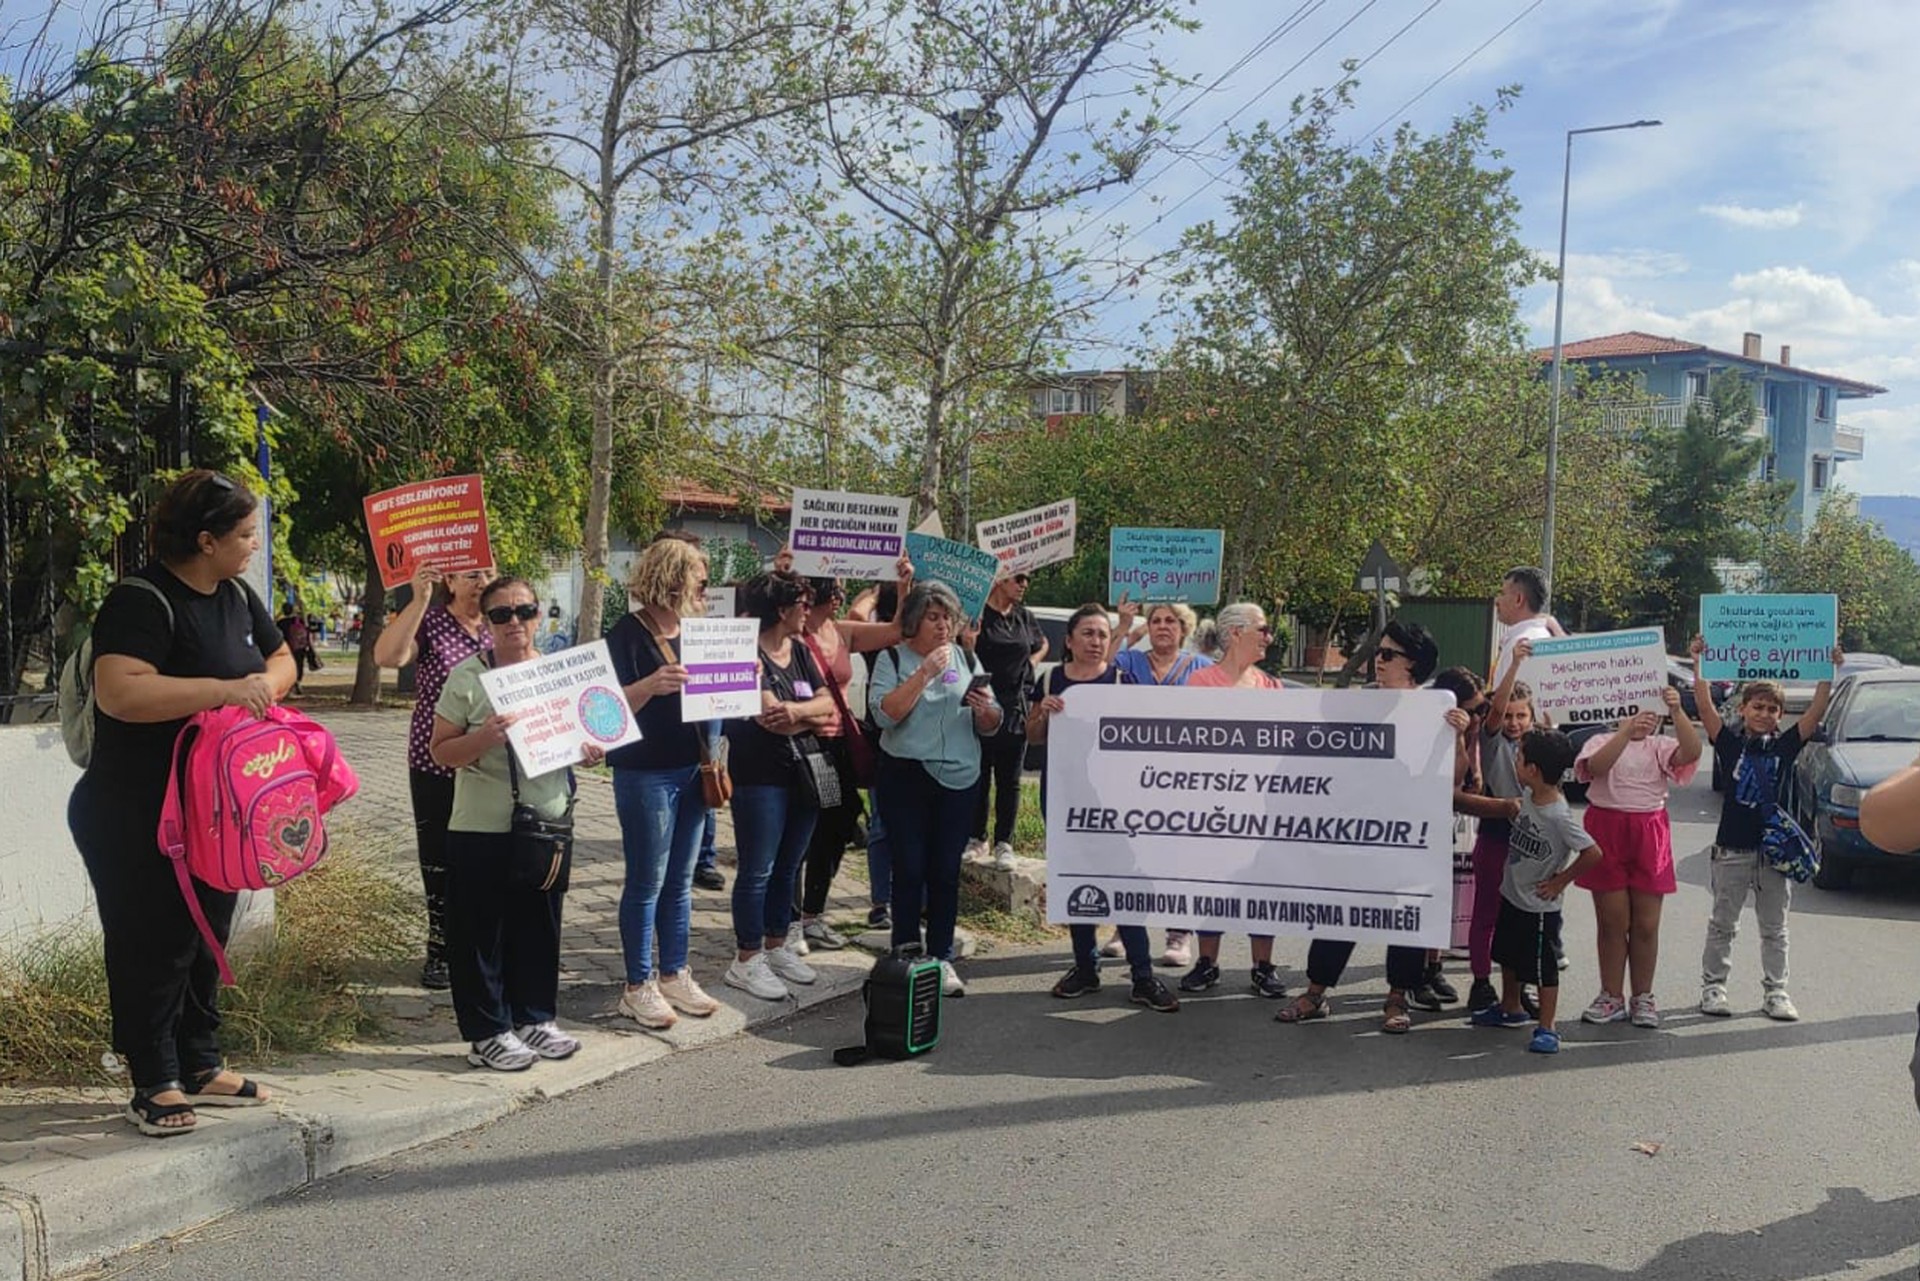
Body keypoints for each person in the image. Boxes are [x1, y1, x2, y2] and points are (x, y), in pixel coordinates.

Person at [71, 470, 296, 1136]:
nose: (254, 545)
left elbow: (282, 659)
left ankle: (199, 1060)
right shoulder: (141, 600)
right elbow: (122, 692)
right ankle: (153, 1078)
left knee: (207, 932)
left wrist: (260, 684)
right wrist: (224, 691)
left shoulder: (233, 596)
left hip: (215, 807)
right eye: (246, 534)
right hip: (134, 808)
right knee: (154, 939)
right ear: (206, 539)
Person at [429, 577, 591, 1070]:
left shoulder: (559, 673)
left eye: (524, 611)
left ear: (539, 616)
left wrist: (591, 750)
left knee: (539, 924)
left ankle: (535, 1018)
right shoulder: (467, 677)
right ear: (487, 621)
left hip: (547, 819)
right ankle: (487, 1031)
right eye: (501, 614)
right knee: (482, 931)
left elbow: (581, 736)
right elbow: (441, 751)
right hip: (482, 824)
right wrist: (483, 738)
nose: (514, 622)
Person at [1277, 620, 1466, 1032]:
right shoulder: (1356, 705)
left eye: (1387, 655)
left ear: (1413, 664)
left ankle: (1397, 999)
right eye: (1377, 653)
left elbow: (1454, 779)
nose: (1377, 662)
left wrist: (1459, 738)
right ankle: (1315, 992)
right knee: (1339, 912)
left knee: (1404, 919)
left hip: (1407, 840)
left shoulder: (1436, 711)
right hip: (1355, 835)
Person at [603, 538, 724, 1029]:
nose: (705, 587)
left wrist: (742, 674)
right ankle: (637, 984)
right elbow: (605, 708)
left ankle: (675, 972)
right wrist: (649, 685)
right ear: (674, 577)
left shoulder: (701, 631)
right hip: (645, 771)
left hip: (694, 768)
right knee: (647, 881)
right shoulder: (627, 633)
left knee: (680, 882)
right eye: (699, 576)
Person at [1035, 605, 1178, 1012]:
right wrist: (1043, 712)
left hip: (1115, 806)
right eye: (1088, 634)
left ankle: (1143, 976)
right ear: (1070, 640)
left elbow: (1144, 735)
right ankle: (1085, 968)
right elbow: (1033, 734)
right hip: (1064, 799)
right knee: (1077, 882)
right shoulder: (1050, 679)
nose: (1096, 642)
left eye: (1102, 634)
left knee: (1124, 884)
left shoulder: (1121, 679)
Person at [1691, 635, 1841, 1022]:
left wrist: (1829, 669)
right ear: (1742, 710)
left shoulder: (1786, 746)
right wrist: (1698, 663)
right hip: (1732, 850)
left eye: (1773, 708)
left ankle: (1776, 992)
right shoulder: (1728, 744)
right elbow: (1705, 706)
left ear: (1780, 714)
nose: (1764, 713)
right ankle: (1713, 987)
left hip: (1775, 853)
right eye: (1757, 706)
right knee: (1723, 923)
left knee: (1775, 927)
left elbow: (1816, 711)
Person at [869, 582, 1004, 996]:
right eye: (933, 616)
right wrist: (925, 671)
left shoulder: (967, 656)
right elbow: (885, 715)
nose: (943, 624)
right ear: (914, 620)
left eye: (948, 616)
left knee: (945, 871)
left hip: (960, 778)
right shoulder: (892, 658)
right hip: (906, 775)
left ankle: (942, 957)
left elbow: (992, 721)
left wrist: (987, 713)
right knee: (909, 868)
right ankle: (907, 953)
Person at [372, 560, 494, 991]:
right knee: (439, 855)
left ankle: (479, 944)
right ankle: (440, 947)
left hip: (491, 767)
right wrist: (418, 600)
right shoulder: (434, 621)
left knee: (481, 855)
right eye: (473, 575)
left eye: (489, 574)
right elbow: (388, 657)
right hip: (435, 762)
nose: (483, 583)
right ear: (451, 581)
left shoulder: (499, 625)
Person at [723, 573, 836, 1001]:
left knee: (789, 866)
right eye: (802, 604)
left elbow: (828, 707)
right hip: (760, 774)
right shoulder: (745, 653)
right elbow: (769, 716)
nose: (809, 611)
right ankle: (747, 958)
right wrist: (803, 714)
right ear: (781, 609)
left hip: (804, 771)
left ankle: (777, 944)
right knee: (758, 870)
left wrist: (799, 711)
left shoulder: (802, 651)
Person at [790, 564, 909, 953]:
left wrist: (900, 585)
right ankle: (788, 922)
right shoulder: (793, 634)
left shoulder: (840, 632)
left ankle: (813, 914)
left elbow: (897, 630)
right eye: (837, 588)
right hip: (802, 744)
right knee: (800, 834)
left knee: (838, 826)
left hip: (838, 746)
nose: (842, 594)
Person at [1571, 687, 1702, 1029]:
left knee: (1646, 924)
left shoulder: (1660, 746)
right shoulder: (1600, 740)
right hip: (1606, 827)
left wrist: (1677, 711)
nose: (1643, 717)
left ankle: (1643, 995)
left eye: (1651, 712)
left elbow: (1691, 751)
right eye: (1635, 711)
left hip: (1648, 829)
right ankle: (1610, 994)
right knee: (1613, 922)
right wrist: (1625, 732)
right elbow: (1596, 767)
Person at [1179, 601, 1289, 1000]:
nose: (1269, 637)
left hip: (1260, 807)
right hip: (1213, 804)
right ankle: (1207, 962)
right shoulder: (1200, 684)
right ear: (1236, 633)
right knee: (1213, 882)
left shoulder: (1273, 687)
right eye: (1262, 629)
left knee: (1263, 883)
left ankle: (1263, 966)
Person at [1467, 728, 1601, 1054]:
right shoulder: (1529, 795)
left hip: (1539, 908)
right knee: (1508, 956)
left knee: (1542, 968)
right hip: (1512, 894)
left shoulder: (1558, 813)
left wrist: (1559, 881)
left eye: (1520, 756)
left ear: (1533, 770)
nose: (1516, 759)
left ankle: (1547, 1026)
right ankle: (1510, 1008)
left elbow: (1593, 853)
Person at [1107, 599, 1212, 967]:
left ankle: (1179, 934)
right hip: (1134, 774)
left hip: (1185, 778)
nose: (1163, 626)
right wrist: (1125, 626)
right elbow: (1100, 666)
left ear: (1184, 628)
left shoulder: (1201, 667)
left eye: (1171, 621)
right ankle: (1124, 928)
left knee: (1179, 856)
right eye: (1155, 620)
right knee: (1133, 852)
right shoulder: (1131, 661)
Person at [1465, 639, 1538, 1014]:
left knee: (1522, 917)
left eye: (1520, 716)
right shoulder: (1492, 743)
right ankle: (1480, 981)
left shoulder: (1539, 744)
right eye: (1508, 716)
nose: (1512, 723)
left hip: (1531, 839)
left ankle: (1518, 984)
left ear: (1531, 718)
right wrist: (1513, 664)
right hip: (1496, 835)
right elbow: (1494, 712)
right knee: (1487, 912)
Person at [967, 569, 1047, 869]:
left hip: (1016, 705)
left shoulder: (1024, 615)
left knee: (1010, 779)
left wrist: (1031, 663)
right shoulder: (979, 614)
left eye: (1027, 579)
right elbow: (964, 652)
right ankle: (977, 838)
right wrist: (968, 643)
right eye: (1019, 578)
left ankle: (1005, 842)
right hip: (984, 700)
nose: (1024, 584)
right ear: (1000, 579)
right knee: (979, 774)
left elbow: (1042, 644)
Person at [1490, 566, 1562, 690]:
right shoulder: (1544, 636)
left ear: (1519, 599)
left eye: (1502, 593)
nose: (1497, 600)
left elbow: (1510, 704)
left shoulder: (1520, 644)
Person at [275, 609, 312, 692]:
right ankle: (298, 681)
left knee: (286, 666)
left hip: (287, 647)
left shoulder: (281, 622)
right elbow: (307, 631)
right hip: (299, 647)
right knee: (299, 664)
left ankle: (289, 683)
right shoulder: (299, 621)